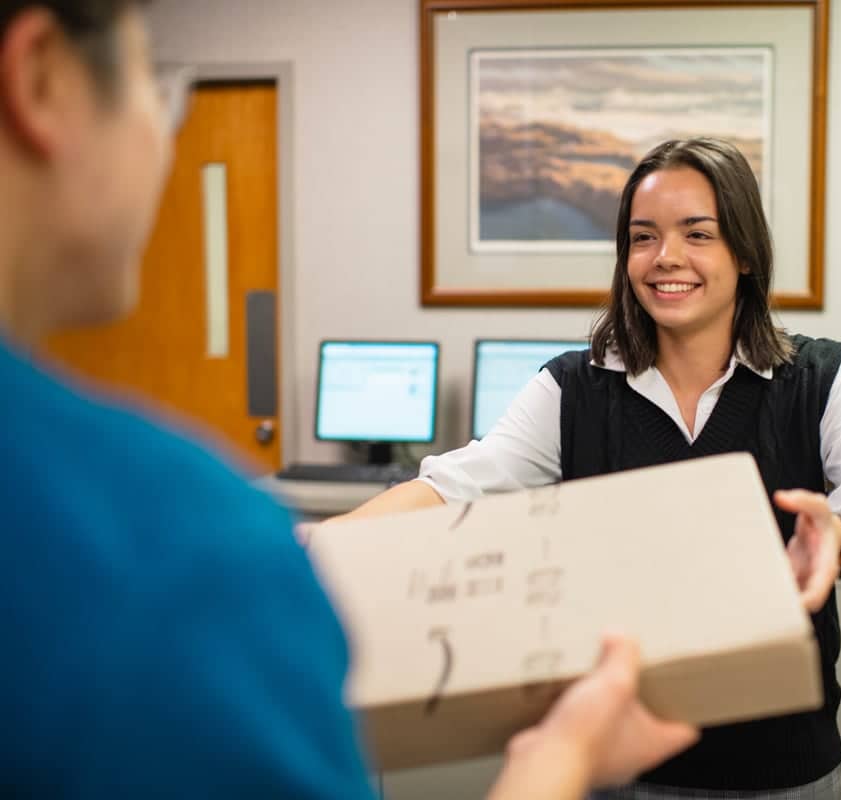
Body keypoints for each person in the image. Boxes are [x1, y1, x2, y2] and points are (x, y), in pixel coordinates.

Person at [0, 1, 697, 797]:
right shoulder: (181, 551)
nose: (162, 137)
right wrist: (559, 763)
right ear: (41, 79)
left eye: (697, 234)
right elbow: (452, 484)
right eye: (152, 87)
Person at [338, 137, 841, 799]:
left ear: (744, 251)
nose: (667, 258)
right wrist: (317, 547)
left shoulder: (821, 380)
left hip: (782, 772)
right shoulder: (575, 389)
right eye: (643, 236)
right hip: (615, 767)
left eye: (698, 234)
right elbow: (451, 488)